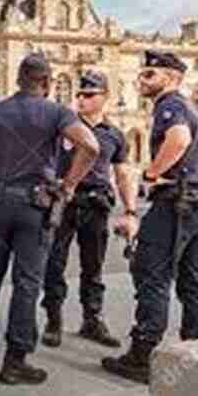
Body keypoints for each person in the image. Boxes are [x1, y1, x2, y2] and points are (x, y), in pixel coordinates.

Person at [0, 53, 99, 386]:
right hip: (35, 206)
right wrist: (69, 186)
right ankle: (15, 360)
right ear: (46, 82)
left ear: (18, 80)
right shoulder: (56, 112)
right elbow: (91, 146)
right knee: (27, 282)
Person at [102, 51, 198, 385]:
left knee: (152, 274)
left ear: (171, 79)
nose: (142, 80)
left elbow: (179, 139)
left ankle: (142, 357)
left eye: (150, 75)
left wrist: (152, 173)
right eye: (142, 74)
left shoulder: (171, 107)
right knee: (193, 281)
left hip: (177, 206)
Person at [40, 71, 137, 349]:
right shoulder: (63, 129)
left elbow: (122, 174)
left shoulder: (113, 135)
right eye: (79, 94)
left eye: (89, 94)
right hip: (64, 203)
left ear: (105, 97)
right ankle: (53, 320)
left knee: (93, 267)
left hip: (96, 204)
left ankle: (92, 319)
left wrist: (130, 210)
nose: (81, 99)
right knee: (54, 263)